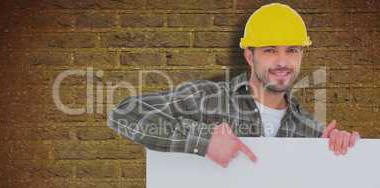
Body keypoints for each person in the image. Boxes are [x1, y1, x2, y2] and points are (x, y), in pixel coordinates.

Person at [107, 3, 360, 168]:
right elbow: (124, 113)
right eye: (270, 50)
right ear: (250, 57)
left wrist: (333, 152)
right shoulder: (207, 98)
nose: (282, 62)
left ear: (301, 56)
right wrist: (203, 140)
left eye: (292, 50)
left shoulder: (310, 129)